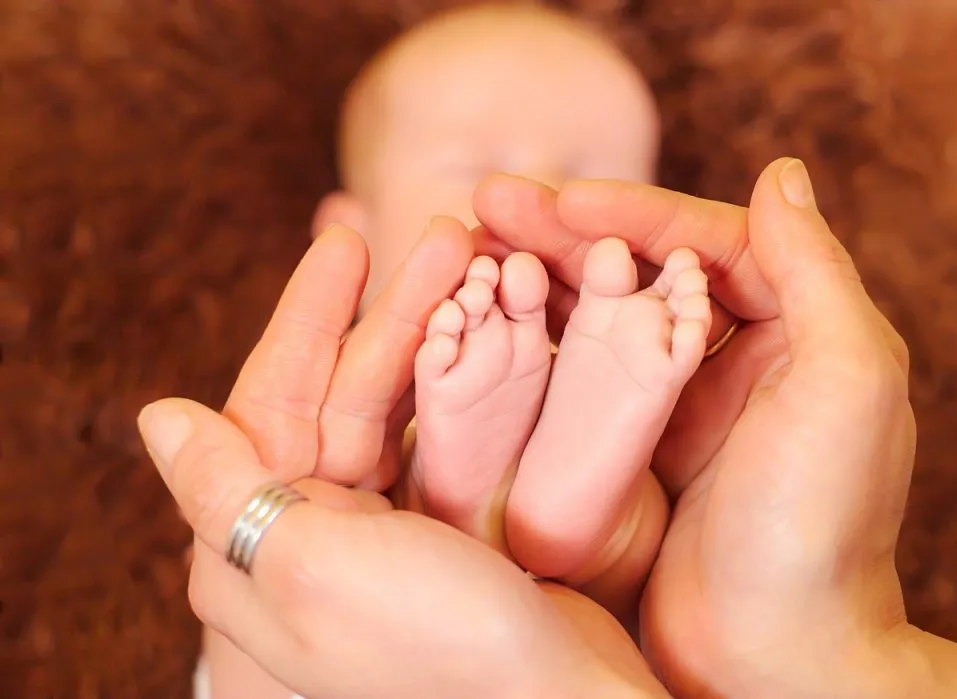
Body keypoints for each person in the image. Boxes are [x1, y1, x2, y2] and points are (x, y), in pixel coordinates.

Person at [139, 158, 957, 698]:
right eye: (480, 154)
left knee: (627, 538)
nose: (543, 175)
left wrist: (255, 523)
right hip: (597, 647)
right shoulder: (335, 418)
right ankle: (531, 517)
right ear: (348, 222)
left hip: (566, 640)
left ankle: (520, 513)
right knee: (610, 554)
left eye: (587, 162)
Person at [192, 3, 723, 696]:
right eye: (473, 169)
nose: (541, 195)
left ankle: (553, 514)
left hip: (571, 656)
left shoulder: (647, 381)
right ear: (352, 230)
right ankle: (537, 517)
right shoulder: (307, 397)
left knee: (652, 524)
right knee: (288, 515)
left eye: (595, 176)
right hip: (349, 637)